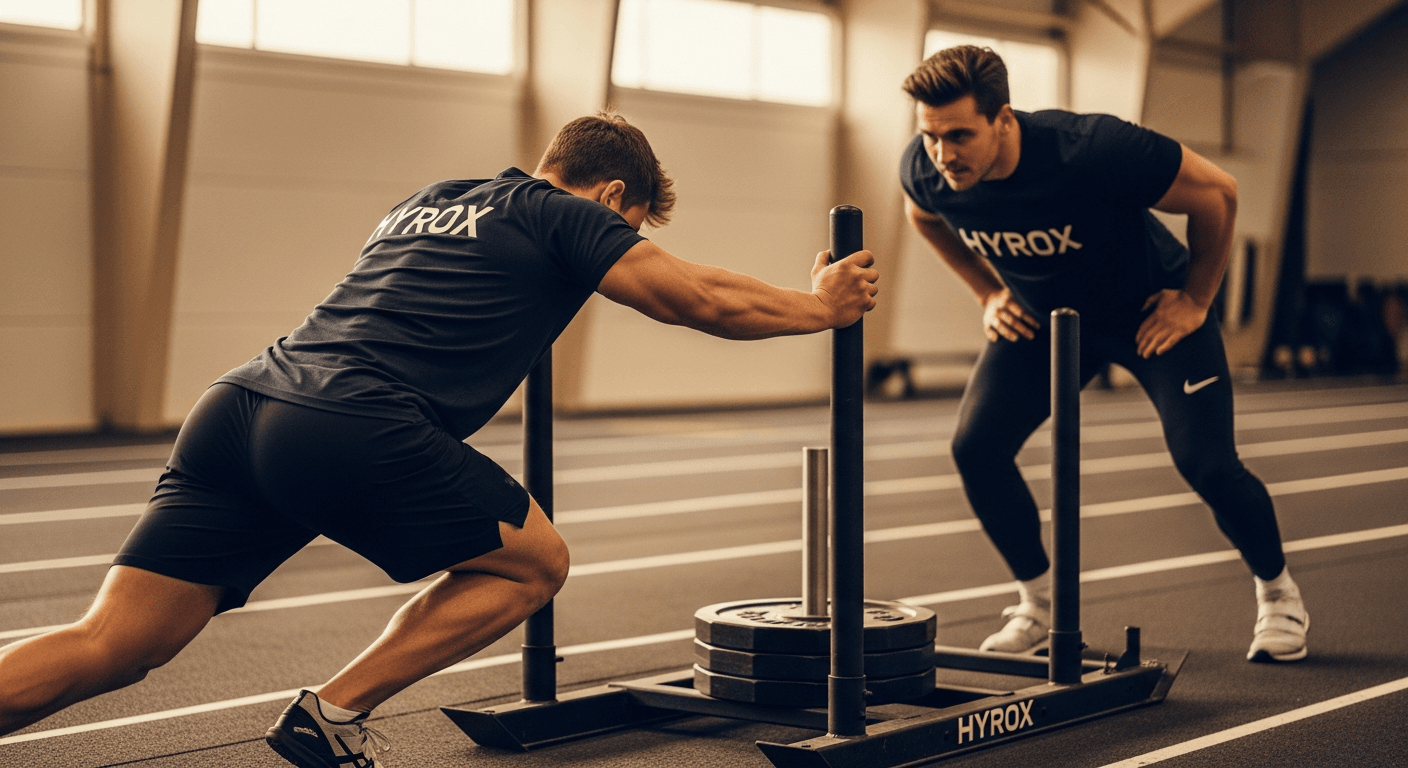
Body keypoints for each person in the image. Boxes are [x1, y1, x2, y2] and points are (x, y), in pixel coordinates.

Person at [0, 112, 880, 767]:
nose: (624, 239)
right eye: (632, 225)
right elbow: (699, 298)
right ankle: (332, 715)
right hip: (346, 418)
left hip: (239, 403)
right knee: (534, 564)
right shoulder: (568, 215)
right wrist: (822, 306)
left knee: (115, 643)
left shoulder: (431, 200)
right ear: (614, 197)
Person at [898, 46, 1307, 663]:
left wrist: (1196, 300)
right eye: (930, 136)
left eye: (959, 135)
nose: (942, 154)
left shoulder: (1092, 150)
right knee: (976, 448)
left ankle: (1278, 594)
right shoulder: (927, 170)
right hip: (1048, 321)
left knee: (1207, 465)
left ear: (1003, 119)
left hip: (1150, 314)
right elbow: (922, 215)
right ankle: (1039, 605)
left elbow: (1217, 193)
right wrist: (987, 292)